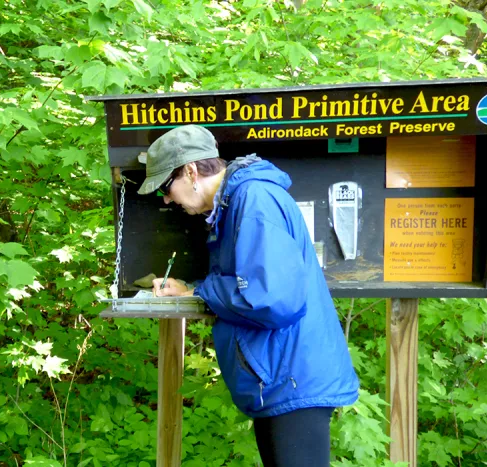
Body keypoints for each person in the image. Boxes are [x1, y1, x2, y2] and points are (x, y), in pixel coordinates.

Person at [140, 125, 359, 467]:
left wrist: (207, 290)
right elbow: (255, 283)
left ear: (190, 171)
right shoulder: (234, 204)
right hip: (281, 378)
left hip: (293, 378)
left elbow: (272, 299)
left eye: (166, 187)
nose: (167, 199)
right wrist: (194, 290)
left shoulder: (253, 199)